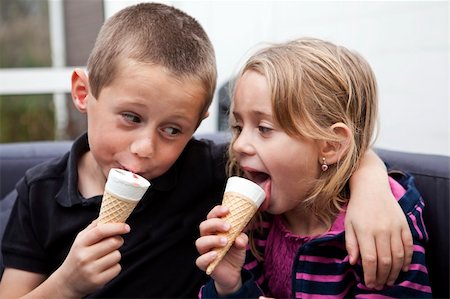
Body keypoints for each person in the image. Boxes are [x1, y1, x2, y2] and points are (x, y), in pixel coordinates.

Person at [0, 3, 411, 298]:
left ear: (196, 128)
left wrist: (371, 186)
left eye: (172, 130)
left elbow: (316, 155)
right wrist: (67, 284)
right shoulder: (38, 193)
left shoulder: (206, 169)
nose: (145, 148)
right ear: (83, 93)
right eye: (130, 117)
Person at [196, 37, 431, 298]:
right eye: (238, 127)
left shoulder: (379, 228)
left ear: (330, 145)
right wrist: (230, 287)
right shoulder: (257, 221)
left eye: (263, 128)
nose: (239, 145)